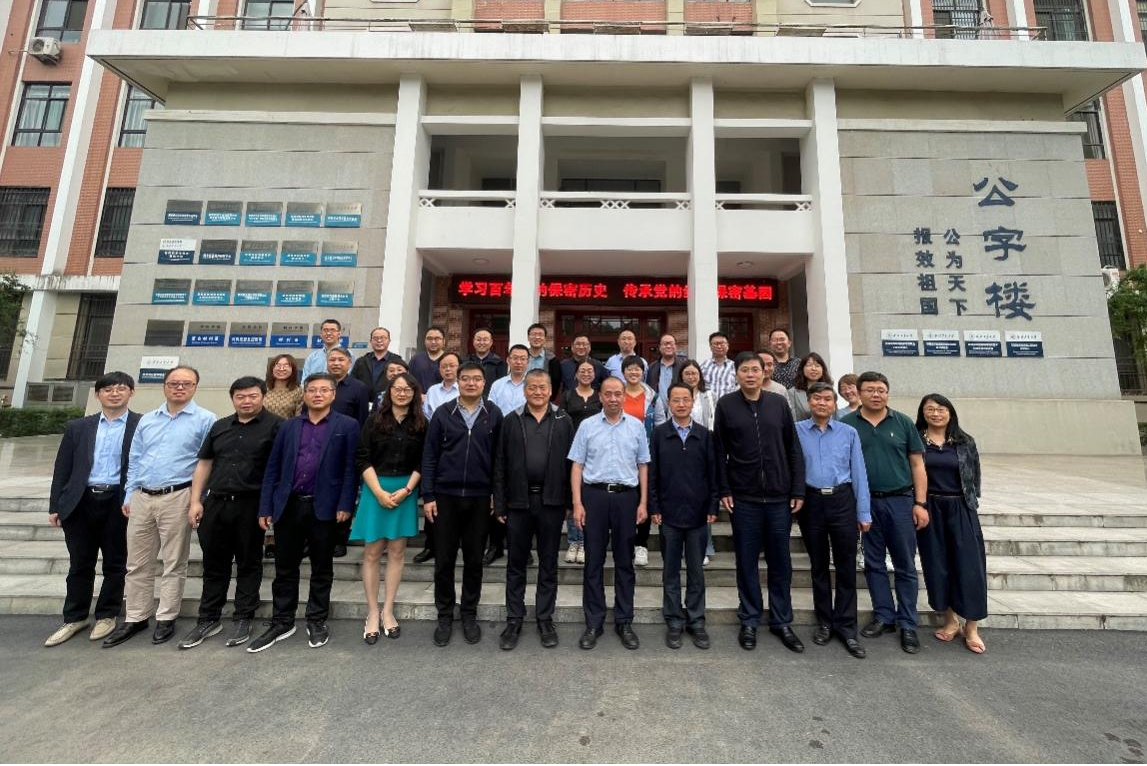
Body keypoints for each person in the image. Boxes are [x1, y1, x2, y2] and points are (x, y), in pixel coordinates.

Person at [103, 366, 216, 648]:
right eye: (174, 383)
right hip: (142, 497)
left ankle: (166, 617)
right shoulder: (148, 419)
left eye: (186, 383)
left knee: (174, 562)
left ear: (195, 387)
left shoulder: (206, 420)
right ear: (164, 386)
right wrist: (129, 494)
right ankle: (136, 616)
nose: (179, 388)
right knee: (137, 562)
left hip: (178, 496)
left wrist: (198, 499)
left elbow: (208, 463)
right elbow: (135, 458)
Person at [249, 373, 360, 653]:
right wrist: (266, 506)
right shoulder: (288, 426)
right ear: (305, 394)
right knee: (285, 567)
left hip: (326, 507)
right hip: (289, 505)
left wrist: (346, 504)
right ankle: (282, 620)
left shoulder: (347, 425)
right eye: (312, 390)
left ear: (333, 394)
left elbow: (350, 469)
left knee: (322, 567)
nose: (318, 394)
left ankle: (316, 619)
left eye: (324, 390)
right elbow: (273, 467)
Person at [180, 376, 283, 650]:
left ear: (263, 396)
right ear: (233, 398)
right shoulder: (220, 426)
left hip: (252, 505)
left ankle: (243, 617)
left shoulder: (277, 426)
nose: (246, 401)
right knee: (214, 564)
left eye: (252, 396)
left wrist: (269, 507)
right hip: (216, 503)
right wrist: (195, 501)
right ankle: (208, 618)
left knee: (249, 563)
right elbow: (204, 464)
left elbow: (279, 469)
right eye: (240, 396)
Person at [713, 352, 805, 654]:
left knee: (781, 562)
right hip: (744, 498)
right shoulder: (726, 405)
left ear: (765, 372)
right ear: (737, 374)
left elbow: (793, 447)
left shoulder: (778, 403)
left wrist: (797, 489)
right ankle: (750, 618)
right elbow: (719, 451)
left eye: (755, 369)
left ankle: (782, 620)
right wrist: (724, 488)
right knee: (747, 561)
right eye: (745, 370)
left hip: (779, 497)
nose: (750, 375)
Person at [44, 372, 141, 648]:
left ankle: (107, 615)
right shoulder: (79, 427)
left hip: (119, 502)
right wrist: (55, 505)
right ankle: (74, 618)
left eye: (121, 388)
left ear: (131, 393)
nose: (114, 393)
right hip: (81, 501)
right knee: (80, 563)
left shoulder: (142, 425)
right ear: (98, 395)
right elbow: (63, 467)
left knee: (115, 563)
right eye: (108, 389)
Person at [840, 371, 929, 655]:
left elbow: (917, 464)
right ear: (859, 393)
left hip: (900, 501)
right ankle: (884, 616)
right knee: (873, 562)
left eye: (881, 390)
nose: (876, 395)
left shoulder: (902, 422)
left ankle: (908, 622)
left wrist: (920, 503)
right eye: (869, 390)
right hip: (866, 503)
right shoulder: (847, 424)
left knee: (905, 564)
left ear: (887, 393)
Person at [422, 362, 504, 647]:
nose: (471, 383)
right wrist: (428, 495)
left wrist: (496, 494)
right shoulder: (443, 413)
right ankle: (445, 615)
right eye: (466, 379)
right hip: (445, 496)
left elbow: (499, 459)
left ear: (484, 383)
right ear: (458, 382)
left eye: (476, 379)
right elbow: (429, 456)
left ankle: (469, 613)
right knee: (444, 561)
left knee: (474, 560)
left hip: (480, 498)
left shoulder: (494, 414)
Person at [493, 369, 575, 650]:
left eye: (543, 387)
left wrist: (569, 501)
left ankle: (544, 618)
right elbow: (500, 463)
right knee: (516, 564)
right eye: (532, 387)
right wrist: (500, 502)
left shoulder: (564, 420)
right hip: (518, 502)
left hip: (552, 502)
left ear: (551, 390)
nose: (538, 392)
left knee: (548, 563)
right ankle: (514, 618)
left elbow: (572, 464)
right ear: (524, 390)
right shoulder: (511, 420)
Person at [569, 376, 650, 651]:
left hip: (627, 498)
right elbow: (577, 466)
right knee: (593, 561)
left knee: (625, 562)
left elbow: (643, 465)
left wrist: (643, 502)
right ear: (600, 396)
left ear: (624, 396)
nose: (613, 398)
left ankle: (624, 621)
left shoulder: (636, 426)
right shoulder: (587, 426)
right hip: (595, 496)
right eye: (608, 394)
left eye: (618, 393)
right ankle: (594, 622)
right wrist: (578, 503)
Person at [795, 382, 872, 659]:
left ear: (834, 403)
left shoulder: (848, 432)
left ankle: (847, 627)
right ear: (809, 402)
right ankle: (825, 622)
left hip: (842, 500)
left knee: (845, 566)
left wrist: (863, 512)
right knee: (818, 566)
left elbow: (859, 472)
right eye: (817, 398)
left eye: (828, 399)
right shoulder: (796, 431)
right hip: (811, 501)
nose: (822, 403)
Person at [352, 373, 426, 644]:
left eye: (408, 389)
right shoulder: (374, 421)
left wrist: (407, 490)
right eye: (397, 388)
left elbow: (423, 461)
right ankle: (372, 612)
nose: (402, 393)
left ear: (414, 393)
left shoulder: (421, 423)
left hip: (405, 490)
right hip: (376, 488)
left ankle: (388, 610)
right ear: (389, 391)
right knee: (372, 552)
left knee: (397, 552)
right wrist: (379, 492)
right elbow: (362, 457)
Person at [915, 394, 988, 655]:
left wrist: (970, 502)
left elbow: (974, 475)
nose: (936, 413)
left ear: (950, 412)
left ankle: (972, 626)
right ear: (923, 413)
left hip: (960, 507)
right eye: (930, 409)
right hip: (930, 508)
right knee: (939, 565)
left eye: (941, 409)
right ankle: (950, 620)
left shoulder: (965, 441)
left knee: (970, 567)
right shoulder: (915, 440)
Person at [649, 383, 719, 650]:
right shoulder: (659, 434)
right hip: (668, 515)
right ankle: (674, 620)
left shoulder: (705, 435)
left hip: (699, 515)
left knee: (696, 572)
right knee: (670, 572)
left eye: (685, 399)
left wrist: (713, 506)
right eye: (676, 400)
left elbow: (713, 474)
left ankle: (696, 620)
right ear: (668, 403)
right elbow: (652, 474)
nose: (681, 404)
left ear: (692, 402)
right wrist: (654, 507)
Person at [416, 352, 462, 564]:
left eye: (452, 365)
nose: (448, 369)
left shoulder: (465, 389)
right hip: (436, 447)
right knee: (433, 499)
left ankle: (454, 546)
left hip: (459, 449)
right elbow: (426, 417)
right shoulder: (433, 391)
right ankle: (430, 545)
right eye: (444, 366)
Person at [623, 355, 666, 567]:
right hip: (621, 455)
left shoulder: (653, 397)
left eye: (637, 369)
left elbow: (660, 424)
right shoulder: (616, 394)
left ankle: (641, 544)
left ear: (643, 372)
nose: (633, 372)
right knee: (625, 499)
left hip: (645, 455)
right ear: (623, 372)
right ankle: (625, 543)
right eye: (629, 369)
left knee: (644, 498)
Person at [559, 359, 602, 564]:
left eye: (589, 371)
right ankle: (573, 541)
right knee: (572, 495)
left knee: (588, 495)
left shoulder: (599, 396)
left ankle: (584, 541)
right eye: (582, 371)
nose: (586, 374)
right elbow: (561, 422)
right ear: (576, 374)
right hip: (572, 451)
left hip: (595, 452)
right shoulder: (567, 396)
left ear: (595, 374)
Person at [677, 359, 717, 564]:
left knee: (702, 498)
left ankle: (704, 547)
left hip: (702, 447)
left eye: (694, 373)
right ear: (681, 376)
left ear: (700, 375)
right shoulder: (675, 395)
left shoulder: (708, 395)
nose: (691, 377)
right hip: (679, 448)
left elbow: (713, 421)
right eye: (687, 373)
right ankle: (682, 547)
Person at [351, 326, 407, 399]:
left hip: (387, 400)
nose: (379, 341)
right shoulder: (361, 361)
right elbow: (352, 381)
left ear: (389, 340)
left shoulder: (397, 361)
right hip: (362, 400)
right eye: (375, 338)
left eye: (383, 338)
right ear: (371, 341)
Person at [646, 334, 686, 420]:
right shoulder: (652, 368)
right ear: (660, 347)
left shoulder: (683, 367)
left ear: (676, 346)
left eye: (671, 343)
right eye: (665, 344)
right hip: (657, 413)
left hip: (679, 411)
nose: (668, 346)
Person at [327, 347, 370, 428]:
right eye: (332, 360)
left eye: (341, 360)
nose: (336, 363)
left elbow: (362, 420)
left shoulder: (359, 388)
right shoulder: (318, 385)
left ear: (350, 363)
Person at [787, 352, 835, 423]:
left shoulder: (830, 391)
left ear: (823, 369)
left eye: (817, 365)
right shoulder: (793, 393)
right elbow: (792, 420)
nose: (813, 369)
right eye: (809, 365)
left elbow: (834, 416)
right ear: (802, 369)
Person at [488, 344, 530, 416]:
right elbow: (490, 409)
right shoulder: (497, 385)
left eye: (522, 359)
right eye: (515, 358)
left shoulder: (532, 385)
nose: (518, 362)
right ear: (508, 360)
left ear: (528, 362)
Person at [468, 327, 507, 397]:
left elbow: (501, 386)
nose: (481, 343)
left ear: (491, 342)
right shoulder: (467, 361)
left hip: (491, 400)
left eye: (485, 340)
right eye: (478, 340)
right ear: (473, 341)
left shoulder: (499, 362)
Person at [264, 354, 303, 421]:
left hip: (286, 427)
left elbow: (298, 418)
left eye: (286, 366)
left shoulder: (299, 392)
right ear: (272, 369)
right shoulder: (263, 389)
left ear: (293, 370)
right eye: (278, 365)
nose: (281, 369)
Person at [700, 331, 738, 400]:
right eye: (716, 344)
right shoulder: (702, 366)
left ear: (727, 346)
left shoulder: (735, 367)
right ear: (710, 346)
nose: (719, 346)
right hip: (708, 404)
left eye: (722, 343)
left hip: (728, 405)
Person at [525, 322, 561, 393]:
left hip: (543, 397)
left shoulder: (553, 360)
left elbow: (555, 383)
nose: (537, 337)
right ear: (528, 338)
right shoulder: (522, 357)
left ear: (545, 339)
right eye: (534, 334)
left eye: (540, 335)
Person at [409, 325, 447, 393]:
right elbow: (409, 382)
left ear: (444, 341)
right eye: (429, 339)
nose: (433, 342)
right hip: (419, 398)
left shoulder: (450, 360)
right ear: (425, 341)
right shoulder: (416, 360)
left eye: (437, 339)